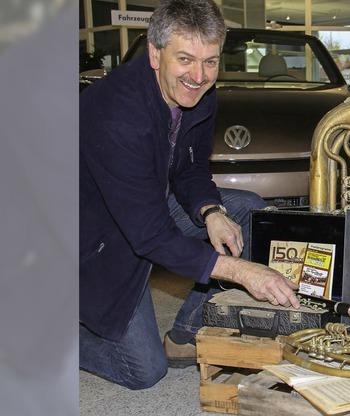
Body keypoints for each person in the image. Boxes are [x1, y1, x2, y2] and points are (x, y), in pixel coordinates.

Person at [79, 0, 299, 390]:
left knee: (244, 209)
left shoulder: (198, 93)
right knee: (144, 371)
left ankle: (184, 336)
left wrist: (210, 209)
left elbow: (191, 168)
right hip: (90, 236)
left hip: (142, 207)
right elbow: (149, 235)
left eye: (210, 61)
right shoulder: (114, 113)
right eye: (185, 59)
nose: (198, 76)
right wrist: (242, 271)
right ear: (154, 53)